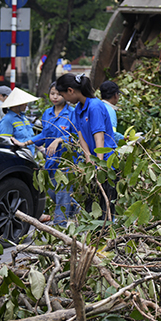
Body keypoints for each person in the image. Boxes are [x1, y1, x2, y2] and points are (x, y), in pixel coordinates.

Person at [56, 73, 118, 218]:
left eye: (63, 94)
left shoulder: (95, 106)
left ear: (71, 90)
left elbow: (99, 138)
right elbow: (81, 137)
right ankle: (94, 239)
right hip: (92, 165)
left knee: (105, 209)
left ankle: (106, 238)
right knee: (91, 208)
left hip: (106, 164)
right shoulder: (78, 109)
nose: (63, 98)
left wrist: (99, 164)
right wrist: (88, 158)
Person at [14, 84, 76, 226]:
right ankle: (77, 211)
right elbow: (44, 135)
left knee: (62, 193)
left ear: (66, 95)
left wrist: (59, 140)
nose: (55, 97)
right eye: (52, 93)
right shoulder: (47, 113)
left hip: (66, 161)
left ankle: (59, 227)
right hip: (50, 160)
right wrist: (25, 143)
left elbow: (77, 136)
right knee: (52, 191)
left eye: (58, 94)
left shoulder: (72, 113)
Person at [0, 87, 39, 155]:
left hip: (30, 155)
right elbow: (5, 142)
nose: (26, 104)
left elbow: (30, 137)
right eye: (24, 102)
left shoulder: (24, 118)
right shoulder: (7, 120)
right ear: (16, 105)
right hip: (19, 157)